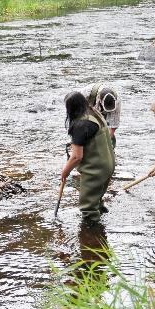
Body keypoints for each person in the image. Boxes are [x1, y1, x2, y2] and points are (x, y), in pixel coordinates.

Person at [60, 92, 115, 222]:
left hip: (95, 169)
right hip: (108, 165)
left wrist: (65, 171)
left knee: (88, 208)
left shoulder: (80, 125)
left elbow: (77, 157)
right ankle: (102, 227)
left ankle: (92, 236)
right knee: (97, 200)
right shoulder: (94, 113)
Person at [80, 82, 120, 147]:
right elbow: (75, 108)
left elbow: (113, 126)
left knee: (107, 139)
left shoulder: (117, 101)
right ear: (99, 99)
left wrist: (105, 145)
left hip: (103, 117)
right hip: (87, 108)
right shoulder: (86, 92)